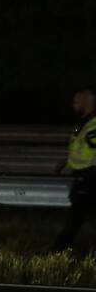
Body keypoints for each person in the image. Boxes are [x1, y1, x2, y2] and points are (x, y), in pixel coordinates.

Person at [55, 87, 96, 251]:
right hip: (83, 176)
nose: (73, 105)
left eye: (76, 102)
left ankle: (59, 250)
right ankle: (60, 248)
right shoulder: (84, 122)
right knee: (80, 214)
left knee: (77, 215)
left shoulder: (93, 125)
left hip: (90, 176)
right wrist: (65, 162)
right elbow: (79, 147)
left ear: (85, 103)